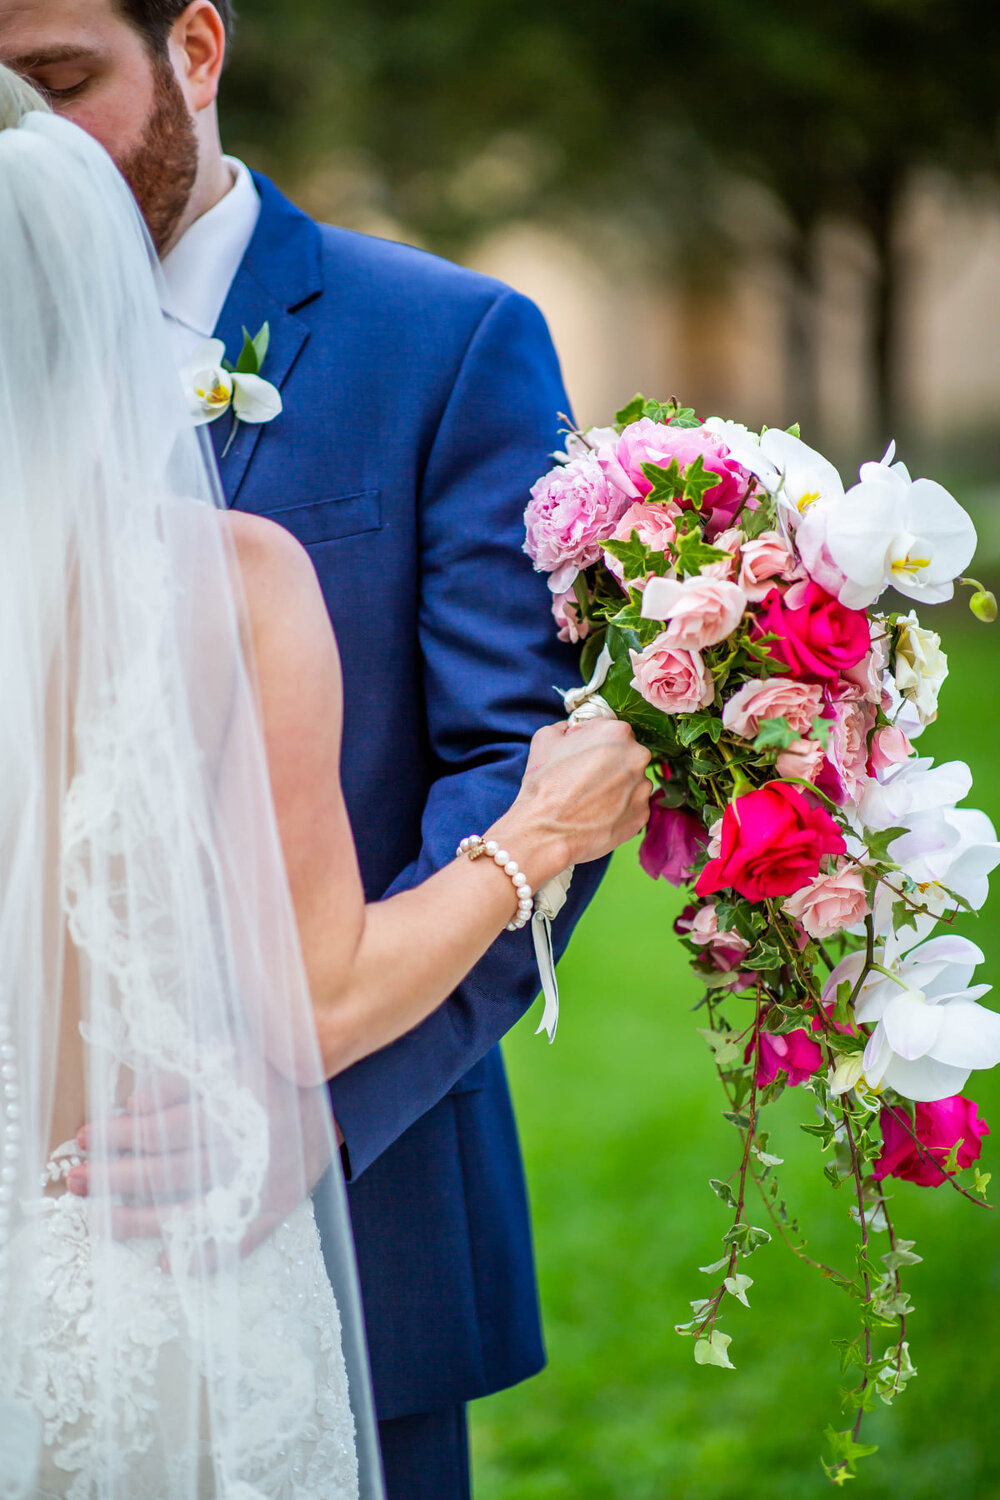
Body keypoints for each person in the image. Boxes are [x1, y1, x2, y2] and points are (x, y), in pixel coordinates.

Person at [0, 2, 631, 1493]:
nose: (24, 141)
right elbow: (540, 807)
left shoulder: (446, 342)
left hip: (365, 1214)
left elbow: (502, 745)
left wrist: (314, 1109)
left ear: (198, 52)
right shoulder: (234, 567)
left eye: (56, 82)